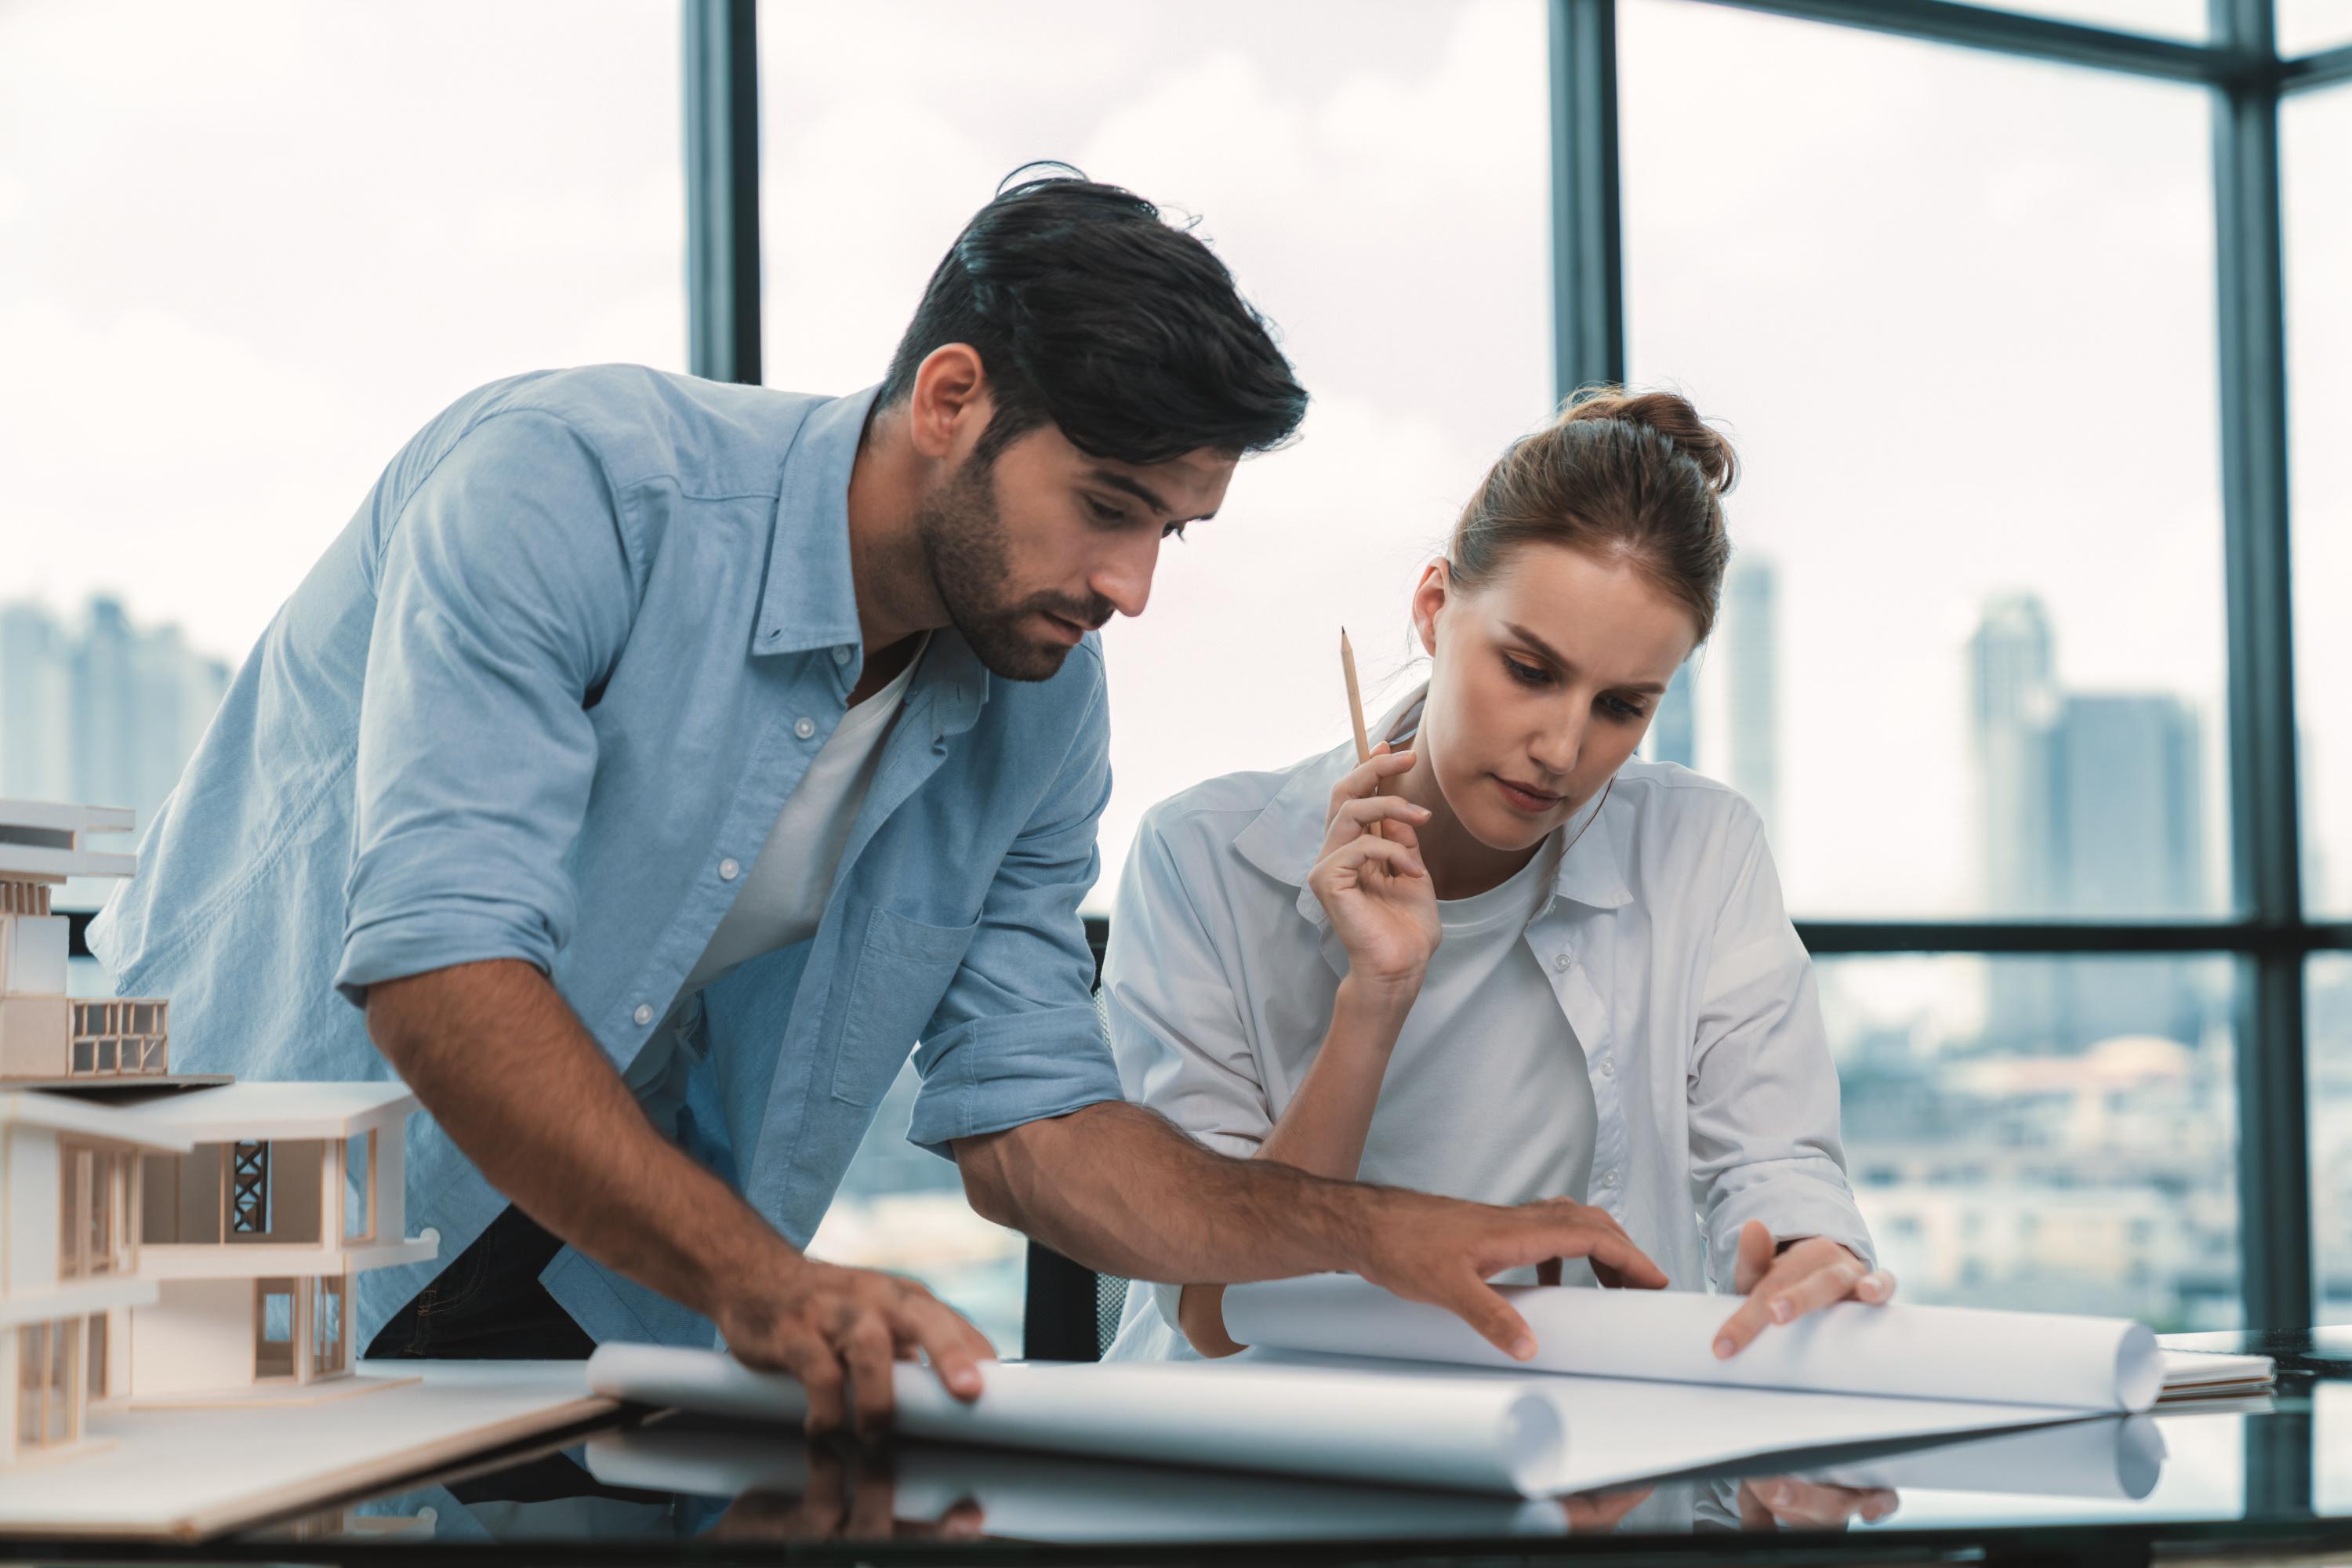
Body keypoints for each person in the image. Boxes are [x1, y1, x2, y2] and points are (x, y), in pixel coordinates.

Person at [90, 170, 1661, 1435]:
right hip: (211, 1269)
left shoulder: (1040, 700)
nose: (1128, 585)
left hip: (593, 1334)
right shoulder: (566, 486)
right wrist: (763, 1274)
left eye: (1171, 534)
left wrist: (1375, 1230)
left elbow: (1031, 1119)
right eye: (1109, 509)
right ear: (952, 398)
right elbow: (442, 963)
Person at [1101, 388, 1893, 1363]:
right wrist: (1376, 995)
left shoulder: (1702, 846)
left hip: (1582, 1459)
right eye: (1529, 669)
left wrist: (1806, 1257)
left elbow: (1773, 1164)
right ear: (1435, 609)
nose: (1560, 749)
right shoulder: (1202, 859)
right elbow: (1219, 1315)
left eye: (1621, 705)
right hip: (1277, 1472)